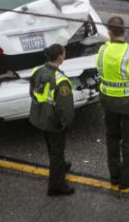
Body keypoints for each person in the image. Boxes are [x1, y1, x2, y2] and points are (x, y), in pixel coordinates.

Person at [96, 16, 129, 189]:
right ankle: (127, 178)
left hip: (108, 102)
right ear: (124, 30)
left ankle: (114, 175)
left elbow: (99, 70)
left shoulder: (102, 50)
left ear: (109, 32)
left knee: (112, 138)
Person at [29, 43, 76, 196]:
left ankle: (60, 165)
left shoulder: (37, 71)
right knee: (57, 152)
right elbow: (65, 108)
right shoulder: (61, 80)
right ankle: (57, 185)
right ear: (60, 57)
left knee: (51, 145)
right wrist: (66, 123)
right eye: (64, 52)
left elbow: (33, 92)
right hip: (53, 121)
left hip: (40, 116)